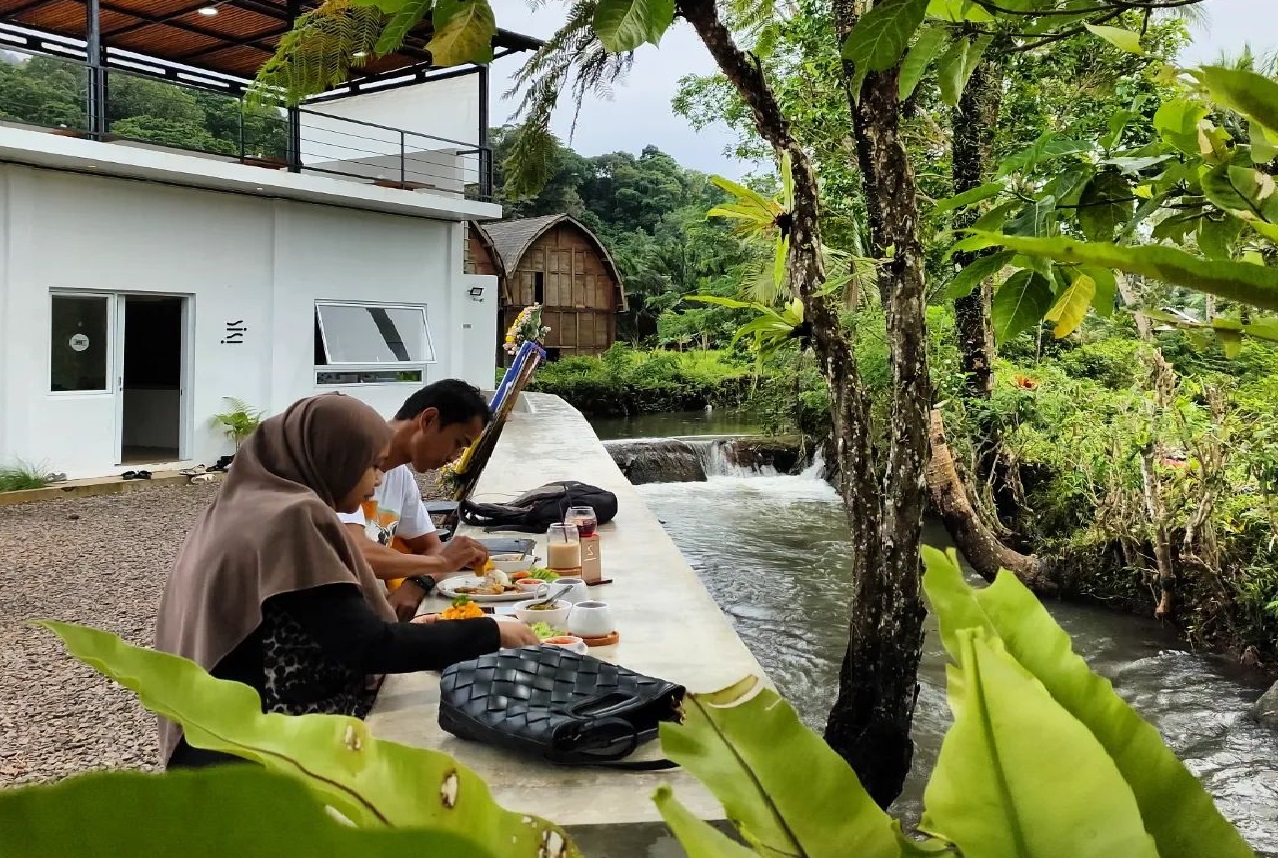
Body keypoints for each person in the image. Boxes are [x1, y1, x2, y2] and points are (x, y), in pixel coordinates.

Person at [156, 393, 538, 770]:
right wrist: (491, 632)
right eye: (370, 465)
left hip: (212, 730)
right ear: (333, 458)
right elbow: (368, 646)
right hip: (256, 756)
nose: (376, 480)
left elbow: (321, 621)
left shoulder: (245, 504)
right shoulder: (291, 519)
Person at [337, 380, 495, 620]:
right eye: (458, 443)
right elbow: (355, 552)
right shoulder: (346, 462)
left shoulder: (400, 476)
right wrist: (443, 562)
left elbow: (430, 546)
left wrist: (416, 584)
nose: (455, 458)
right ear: (428, 419)